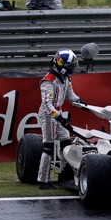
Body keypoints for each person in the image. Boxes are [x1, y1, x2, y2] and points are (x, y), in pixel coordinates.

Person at [37, 48, 87, 190]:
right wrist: (59, 117)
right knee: (49, 147)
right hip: (48, 115)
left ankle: (64, 176)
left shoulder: (65, 78)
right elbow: (47, 104)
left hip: (59, 113)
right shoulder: (48, 81)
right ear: (61, 64)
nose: (72, 69)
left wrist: (82, 103)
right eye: (70, 66)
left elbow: (71, 95)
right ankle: (43, 180)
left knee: (66, 143)